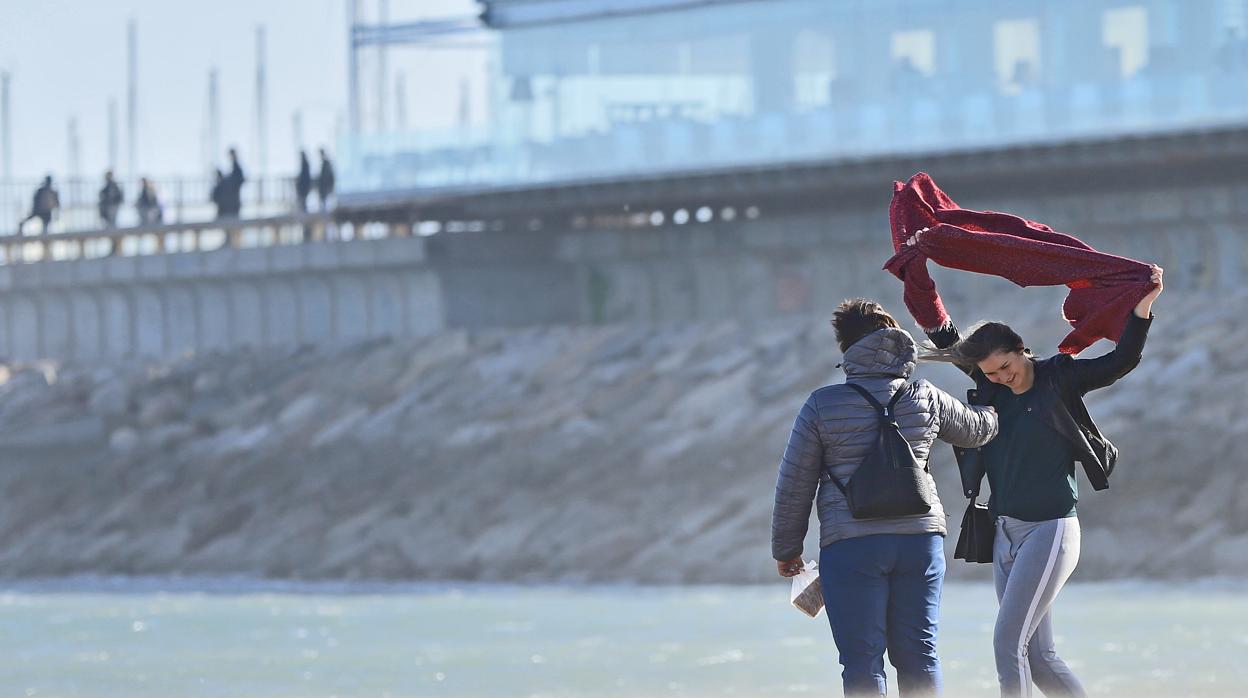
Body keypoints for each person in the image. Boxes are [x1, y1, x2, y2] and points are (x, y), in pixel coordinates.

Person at [906, 227, 1163, 698]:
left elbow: (1121, 359)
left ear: (1023, 349)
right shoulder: (989, 389)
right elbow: (941, 332)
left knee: (1009, 644)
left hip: (1051, 529)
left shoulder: (1058, 378)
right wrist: (917, 265)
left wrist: (1143, 307)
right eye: (991, 374)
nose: (1003, 378)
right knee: (1040, 658)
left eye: (1008, 366)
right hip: (1004, 530)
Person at [772, 298, 999, 698]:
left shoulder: (822, 405)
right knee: (920, 655)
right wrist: (997, 396)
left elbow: (795, 484)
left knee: (862, 660)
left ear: (845, 347)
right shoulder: (924, 395)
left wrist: (787, 550)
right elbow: (979, 430)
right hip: (919, 541)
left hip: (852, 545)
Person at [221, 148, 245, 219]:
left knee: (233, 221)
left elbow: (239, 180)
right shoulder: (235, 166)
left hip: (233, 201)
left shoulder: (236, 167)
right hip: (232, 201)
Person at [316, 147, 335, 212]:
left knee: (326, 200)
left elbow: (328, 175)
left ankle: (325, 210)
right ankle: (324, 209)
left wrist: (328, 185)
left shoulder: (326, 163)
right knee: (323, 200)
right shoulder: (325, 163)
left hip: (325, 185)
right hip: (324, 185)